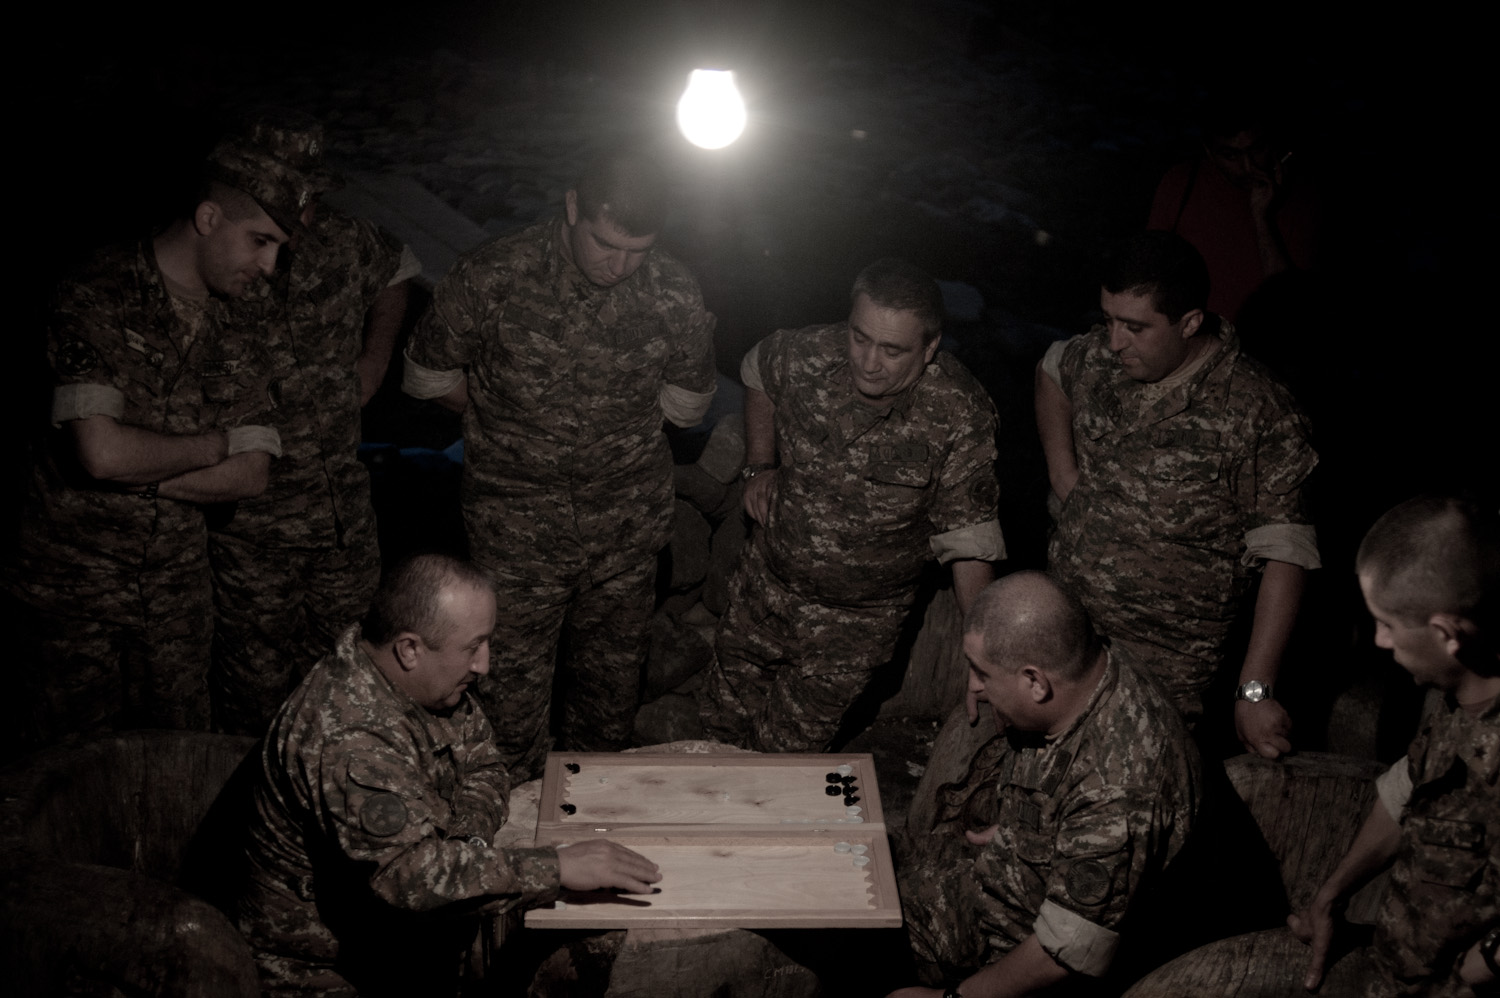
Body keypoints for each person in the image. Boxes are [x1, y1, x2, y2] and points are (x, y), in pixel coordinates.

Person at [402, 149, 716, 780]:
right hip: (514, 535)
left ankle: (594, 834)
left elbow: (686, 407)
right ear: (573, 206)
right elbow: (426, 377)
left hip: (624, 538)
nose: (619, 265)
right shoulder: (493, 274)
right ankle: (512, 838)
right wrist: (503, 418)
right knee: (506, 703)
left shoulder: (675, 292)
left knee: (606, 705)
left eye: (637, 250)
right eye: (605, 243)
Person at [236, 554, 662, 997]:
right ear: (409, 649)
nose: (484, 665)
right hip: (331, 970)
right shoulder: (350, 737)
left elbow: (485, 764)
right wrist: (557, 866)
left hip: (405, 942)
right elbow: (407, 879)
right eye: (472, 647)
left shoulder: (422, 684)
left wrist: (466, 842)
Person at [3, 142, 291, 753]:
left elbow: (251, 476)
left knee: (175, 769)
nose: (269, 266)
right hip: (71, 595)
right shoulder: (95, 292)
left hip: (175, 598)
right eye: (260, 240)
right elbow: (102, 454)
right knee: (66, 778)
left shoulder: (246, 317)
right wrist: (214, 442)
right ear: (208, 218)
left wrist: (141, 467)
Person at [697, 258, 1005, 752]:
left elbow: (969, 543)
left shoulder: (957, 414)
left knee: (783, 762)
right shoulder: (810, 353)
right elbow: (757, 370)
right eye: (860, 337)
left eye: (892, 349)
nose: (868, 361)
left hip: (852, 627)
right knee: (715, 737)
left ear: (929, 349)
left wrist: (983, 656)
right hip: (763, 591)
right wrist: (760, 465)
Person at [1035, 231, 1319, 758]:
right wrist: (1063, 473)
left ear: (1189, 322)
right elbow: (1053, 368)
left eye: (1135, 327)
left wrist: (1255, 693)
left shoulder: (1258, 412)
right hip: (1063, 636)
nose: (1114, 340)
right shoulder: (1103, 357)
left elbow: (1287, 555)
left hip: (1159, 668)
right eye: (1108, 319)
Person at [206, 110, 419, 735]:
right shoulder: (223, 258)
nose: (303, 215)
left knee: (358, 686)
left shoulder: (341, 240)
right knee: (255, 702)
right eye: (290, 201)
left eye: (309, 199)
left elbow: (397, 269)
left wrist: (374, 359)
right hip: (252, 528)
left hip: (342, 518)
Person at [890, 571, 1199, 998]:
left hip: (1015, 954)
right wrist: (1030, 833)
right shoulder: (1086, 665)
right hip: (998, 875)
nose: (975, 687)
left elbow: (1065, 953)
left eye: (982, 673)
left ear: (1036, 682)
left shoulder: (1118, 787)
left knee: (852, 944)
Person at [1290, 496, 1499, 997]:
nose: (1380, 641)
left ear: (1447, 633)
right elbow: (1411, 785)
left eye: (1388, 624)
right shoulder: (1454, 696)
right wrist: (1333, 893)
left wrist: (1470, 975)